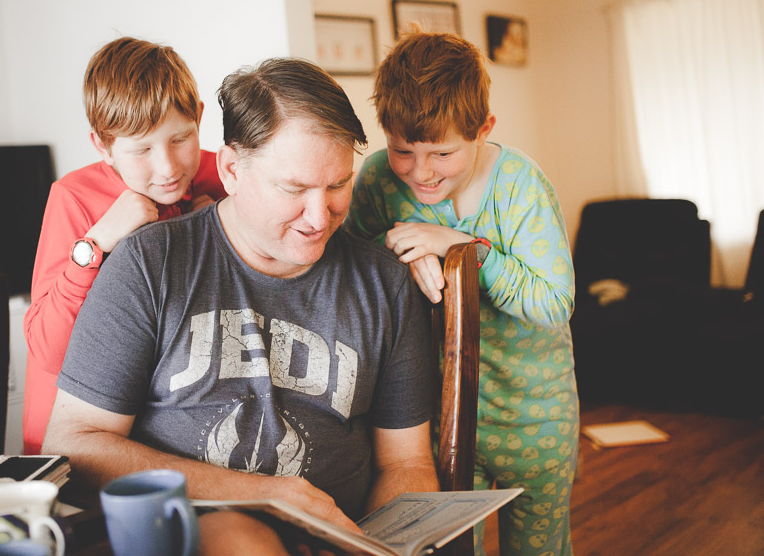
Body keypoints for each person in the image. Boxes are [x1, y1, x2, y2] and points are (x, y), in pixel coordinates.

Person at [43, 58, 439, 555]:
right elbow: (73, 444)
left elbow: (405, 464)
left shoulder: (384, 284)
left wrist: (379, 547)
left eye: (338, 185)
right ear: (231, 169)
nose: (320, 217)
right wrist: (266, 496)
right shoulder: (150, 262)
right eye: (293, 189)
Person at [344, 32, 579, 556]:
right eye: (404, 149)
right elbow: (352, 264)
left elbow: (553, 303)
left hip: (535, 415)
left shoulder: (520, 185)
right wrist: (401, 245)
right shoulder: (381, 178)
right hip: (435, 415)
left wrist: (462, 249)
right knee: (449, 547)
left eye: (442, 152)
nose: (421, 172)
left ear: (483, 129)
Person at [22, 37, 227, 454]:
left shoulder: (220, 174)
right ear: (103, 145)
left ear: (199, 117)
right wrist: (95, 242)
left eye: (180, 139)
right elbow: (46, 350)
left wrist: (216, 222)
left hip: (170, 428)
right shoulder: (73, 197)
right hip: (75, 437)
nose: (168, 168)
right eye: (142, 150)